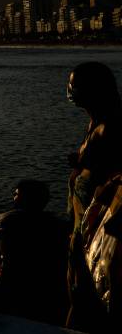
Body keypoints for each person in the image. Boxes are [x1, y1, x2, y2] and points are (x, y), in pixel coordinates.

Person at [65, 62, 122, 331]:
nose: (70, 89)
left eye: (74, 84)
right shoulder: (95, 122)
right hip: (82, 226)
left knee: (89, 302)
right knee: (78, 293)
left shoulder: (109, 128)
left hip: (99, 229)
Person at [0, 180, 68, 324]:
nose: (14, 197)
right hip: (47, 291)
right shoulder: (58, 225)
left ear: (24, 198)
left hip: (11, 287)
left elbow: (0, 254)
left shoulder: (4, 220)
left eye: (17, 194)